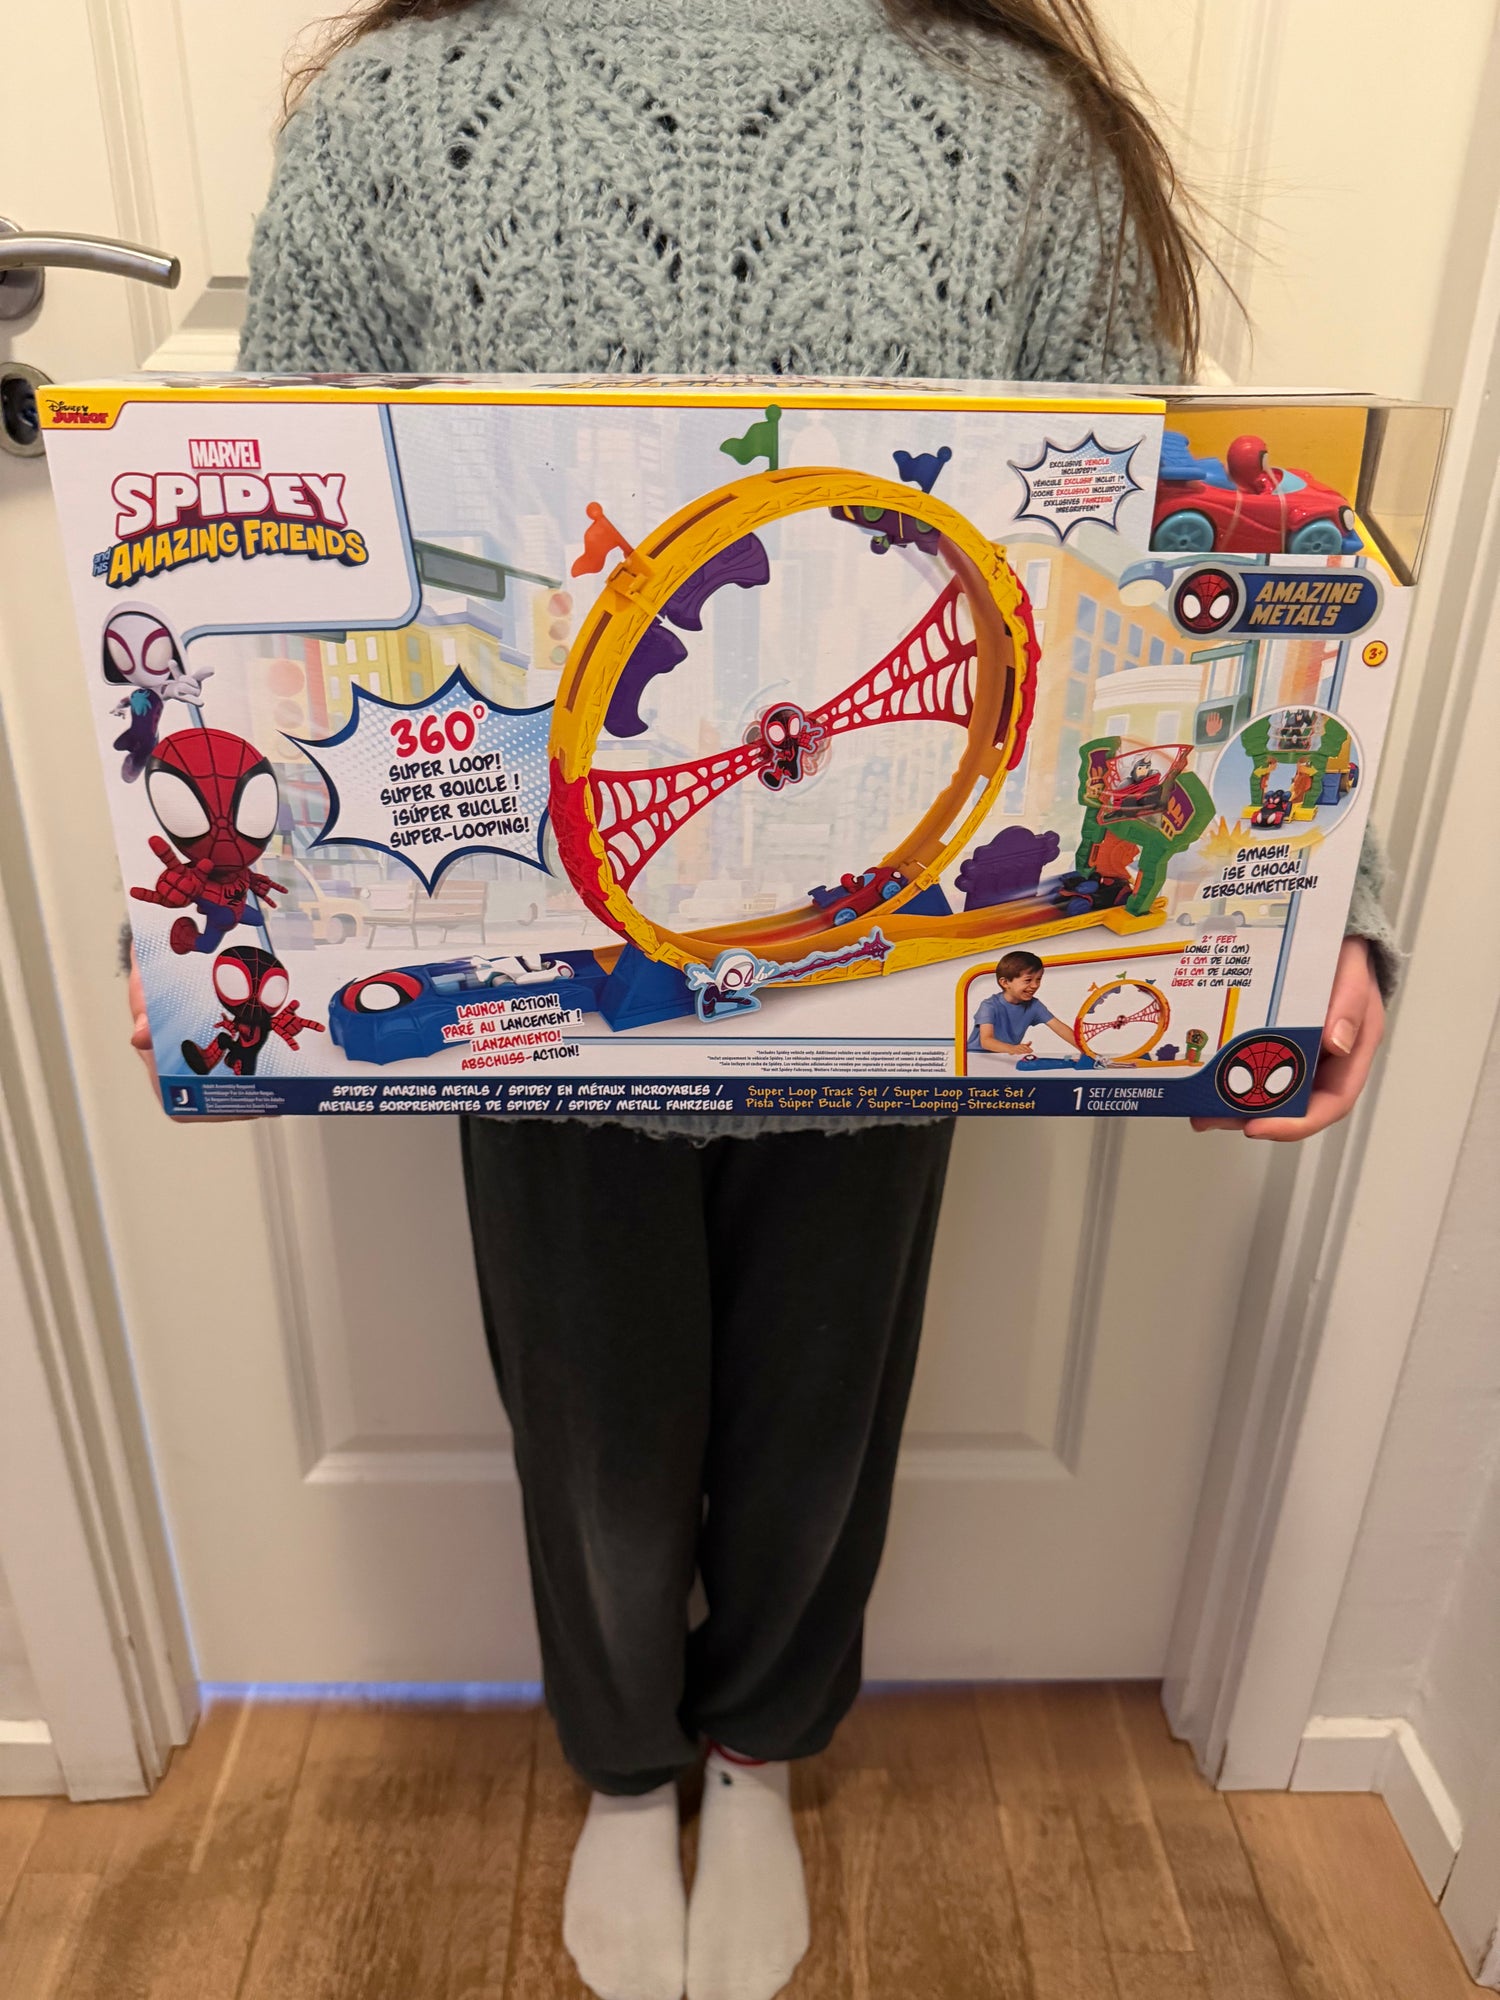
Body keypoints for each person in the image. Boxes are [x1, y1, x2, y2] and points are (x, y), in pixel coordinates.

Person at [127, 3, 1400, 1996]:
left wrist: (1318, 907)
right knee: (597, 1438)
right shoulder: (391, 125)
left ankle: (758, 1753)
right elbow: (262, 580)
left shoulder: (1020, 131)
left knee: (825, 1409)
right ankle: (626, 1764)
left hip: (890, 967)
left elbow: (1165, 554)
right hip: (531, 995)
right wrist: (202, 909)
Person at [967, 949, 1080, 1058]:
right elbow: (986, 1041)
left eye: (1038, 979)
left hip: (1005, 1056)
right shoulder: (989, 1006)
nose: (1035, 985)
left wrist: (1085, 1050)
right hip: (976, 1057)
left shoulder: (1034, 1005)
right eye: (1028, 980)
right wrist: (1012, 1048)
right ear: (1005, 982)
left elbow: (1060, 1028)